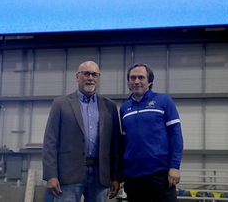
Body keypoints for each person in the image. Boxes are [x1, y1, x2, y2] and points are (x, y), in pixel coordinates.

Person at [42, 61, 122, 202]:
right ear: (77, 77)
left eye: (94, 74)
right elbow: (50, 141)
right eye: (86, 74)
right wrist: (51, 175)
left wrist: (116, 177)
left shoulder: (109, 106)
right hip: (68, 175)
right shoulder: (61, 104)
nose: (90, 78)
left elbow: (115, 145)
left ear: (98, 78)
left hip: (100, 175)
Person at [120, 63, 184, 202]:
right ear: (129, 82)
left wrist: (174, 166)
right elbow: (124, 142)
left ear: (150, 81)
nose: (136, 81)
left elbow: (175, 135)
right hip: (133, 177)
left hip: (160, 175)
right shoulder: (124, 109)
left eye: (141, 77)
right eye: (133, 78)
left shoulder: (163, 101)